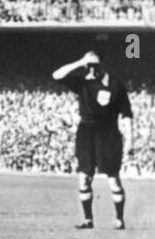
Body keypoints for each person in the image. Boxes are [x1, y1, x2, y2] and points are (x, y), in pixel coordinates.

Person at [51, 49, 134, 229]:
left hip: (109, 132)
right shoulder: (82, 82)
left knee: (113, 177)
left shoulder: (115, 84)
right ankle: (88, 220)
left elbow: (127, 114)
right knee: (84, 177)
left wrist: (130, 140)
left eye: (95, 65)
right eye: (89, 65)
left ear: (103, 65)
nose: (91, 69)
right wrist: (80, 62)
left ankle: (119, 219)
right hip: (86, 131)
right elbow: (56, 75)